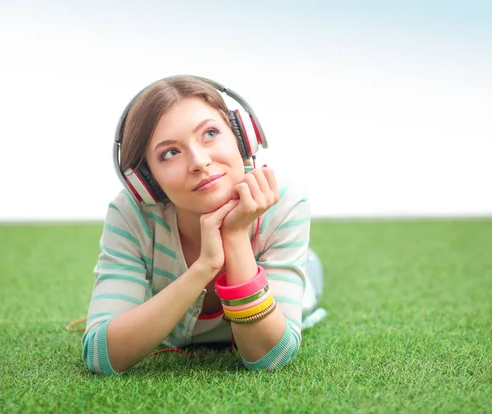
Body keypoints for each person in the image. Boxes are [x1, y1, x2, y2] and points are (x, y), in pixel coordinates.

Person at [81, 75, 325, 375]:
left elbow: (269, 357)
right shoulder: (132, 214)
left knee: (308, 283)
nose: (199, 161)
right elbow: (99, 354)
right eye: (169, 152)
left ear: (241, 136)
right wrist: (204, 267)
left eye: (209, 133)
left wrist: (234, 235)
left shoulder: (285, 201)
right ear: (146, 181)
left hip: (299, 280)